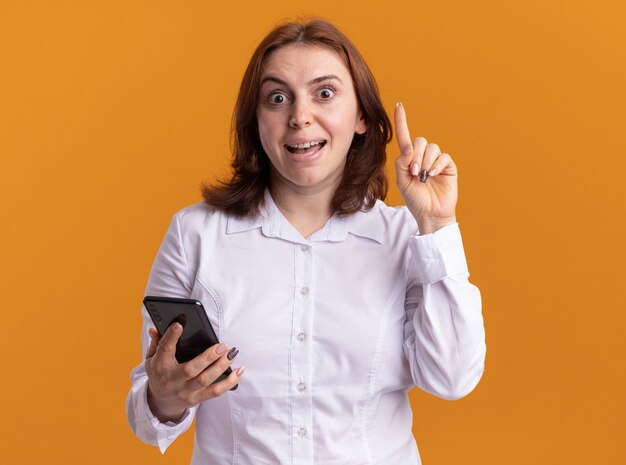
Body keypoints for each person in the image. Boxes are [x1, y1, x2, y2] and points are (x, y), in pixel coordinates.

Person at [126, 18, 486, 465]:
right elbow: (145, 414)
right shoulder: (194, 233)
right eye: (277, 98)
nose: (299, 116)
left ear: (360, 117)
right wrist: (165, 395)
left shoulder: (404, 237)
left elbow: (452, 378)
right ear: (256, 122)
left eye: (325, 93)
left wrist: (437, 225)